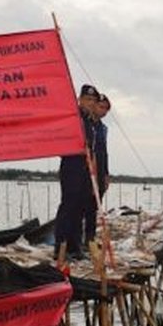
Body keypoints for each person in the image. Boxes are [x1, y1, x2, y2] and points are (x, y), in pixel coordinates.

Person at [53, 84, 101, 260]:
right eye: (87, 99)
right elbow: (61, 142)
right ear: (80, 99)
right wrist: (79, 149)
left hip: (86, 169)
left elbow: (93, 148)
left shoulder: (90, 122)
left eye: (93, 100)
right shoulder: (73, 118)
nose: (90, 103)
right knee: (69, 206)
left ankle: (75, 247)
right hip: (72, 165)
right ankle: (60, 247)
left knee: (81, 207)